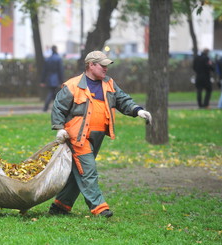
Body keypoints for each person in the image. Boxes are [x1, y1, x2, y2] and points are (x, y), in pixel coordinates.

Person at [49, 50, 152, 218]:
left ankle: (60, 206)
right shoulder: (73, 85)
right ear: (91, 65)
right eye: (102, 65)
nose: (106, 68)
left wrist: (137, 110)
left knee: (79, 172)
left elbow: (123, 100)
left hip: (97, 136)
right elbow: (59, 107)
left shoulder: (109, 83)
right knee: (88, 171)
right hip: (77, 136)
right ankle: (99, 208)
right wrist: (59, 128)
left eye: (107, 65)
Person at [40, 45, 64, 112]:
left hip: (49, 78)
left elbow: (44, 71)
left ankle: (47, 108)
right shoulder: (58, 59)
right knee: (53, 93)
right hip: (56, 79)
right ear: (56, 49)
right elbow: (60, 71)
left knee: (52, 93)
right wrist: (62, 80)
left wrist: (42, 81)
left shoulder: (48, 59)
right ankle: (48, 108)